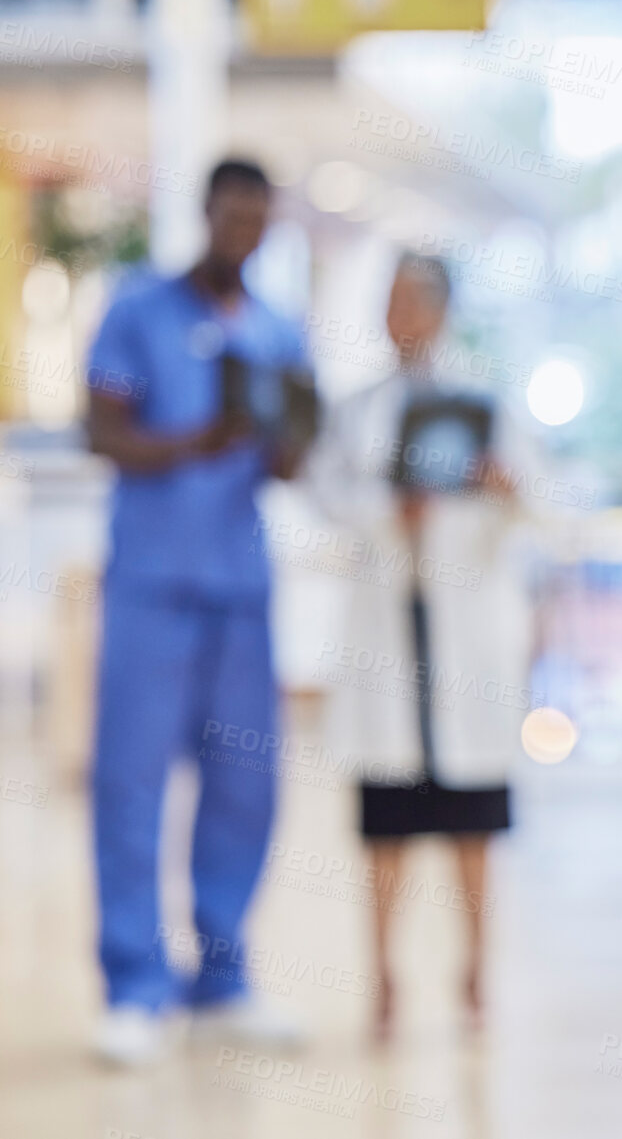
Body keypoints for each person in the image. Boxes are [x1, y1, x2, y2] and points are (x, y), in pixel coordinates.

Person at [85, 157, 313, 1066]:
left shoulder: (277, 331)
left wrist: (290, 443)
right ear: (206, 212)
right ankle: (134, 982)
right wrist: (196, 441)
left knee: (245, 788)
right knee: (131, 785)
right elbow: (100, 431)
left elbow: (288, 460)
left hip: (241, 589)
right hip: (152, 584)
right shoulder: (138, 310)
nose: (243, 233)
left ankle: (222, 978)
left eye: (259, 221)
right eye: (232, 216)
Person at [304, 252, 541, 1042]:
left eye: (416, 302)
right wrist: (386, 509)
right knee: (388, 826)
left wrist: (503, 489)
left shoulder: (484, 400)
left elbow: (537, 499)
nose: (402, 317)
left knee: (473, 823)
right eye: (391, 302)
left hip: (464, 631)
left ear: (441, 312)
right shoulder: (356, 408)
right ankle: (383, 982)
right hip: (387, 630)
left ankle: (475, 976)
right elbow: (328, 492)